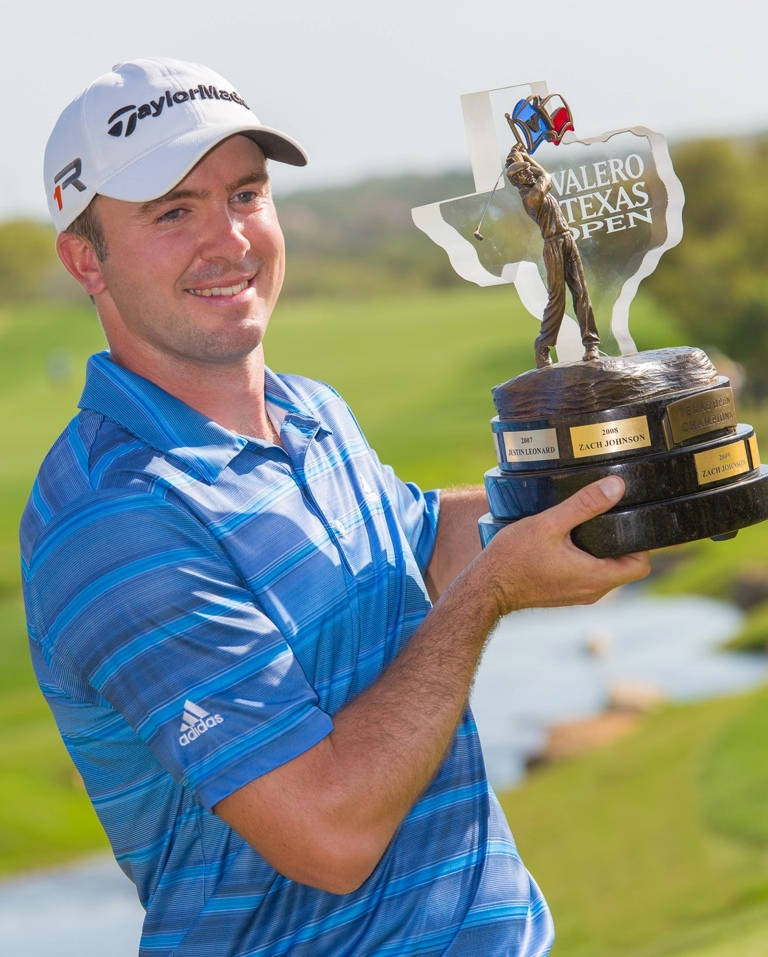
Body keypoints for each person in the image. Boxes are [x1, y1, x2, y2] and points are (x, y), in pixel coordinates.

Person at [20, 57, 649, 957]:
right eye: (173, 212)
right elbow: (329, 834)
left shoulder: (311, 410)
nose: (230, 240)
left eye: (245, 194)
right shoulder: (113, 520)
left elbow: (422, 543)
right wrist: (493, 593)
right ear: (87, 257)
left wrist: (615, 484)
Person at [506, 145, 601, 369]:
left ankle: (591, 344)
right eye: (525, 171)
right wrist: (527, 157)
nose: (531, 172)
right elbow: (547, 176)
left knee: (581, 292)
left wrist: (522, 159)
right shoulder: (531, 196)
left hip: (567, 239)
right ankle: (543, 346)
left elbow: (546, 178)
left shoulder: (534, 187)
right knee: (557, 298)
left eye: (529, 170)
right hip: (553, 245)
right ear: (519, 178)